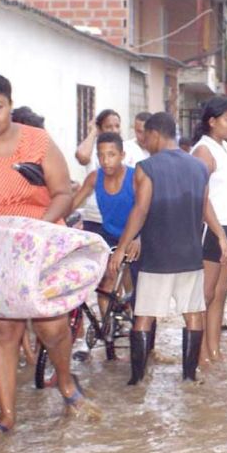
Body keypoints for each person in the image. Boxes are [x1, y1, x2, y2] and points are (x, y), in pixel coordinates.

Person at [0, 74, 98, 437]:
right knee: (2, 330)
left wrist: (41, 225)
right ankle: (6, 415)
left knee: (52, 326)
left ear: (10, 105)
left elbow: (62, 192)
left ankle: (66, 384)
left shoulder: (38, 141)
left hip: (40, 244)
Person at [112, 112, 227, 385]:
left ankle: (136, 382)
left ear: (155, 135)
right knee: (192, 316)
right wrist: (221, 236)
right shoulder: (199, 167)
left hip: (157, 258)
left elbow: (140, 210)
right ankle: (189, 378)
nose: (144, 142)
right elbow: (204, 206)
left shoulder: (146, 167)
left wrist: (121, 249)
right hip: (191, 256)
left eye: (145, 136)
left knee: (143, 318)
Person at [191, 96, 227, 366]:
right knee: (205, 293)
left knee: (221, 292)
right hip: (211, 229)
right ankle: (198, 355)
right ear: (212, 122)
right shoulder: (203, 151)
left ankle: (214, 349)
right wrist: (220, 234)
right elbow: (201, 196)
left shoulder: (224, 149)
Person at [71, 132, 141, 316]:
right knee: (105, 282)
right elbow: (72, 204)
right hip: (109, 234)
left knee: (137, 289)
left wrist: (140, 239)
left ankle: (137, 327)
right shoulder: (95, 178)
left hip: (135, 236)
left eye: (111, 155)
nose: (106, 160)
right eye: (101, 155)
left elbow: (147, 210)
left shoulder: (135, 178)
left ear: (122, 155)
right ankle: (106, 329)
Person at [75, 109, 122, 237]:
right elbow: (82, 156)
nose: (114, 130)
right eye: (108, 127)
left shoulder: (127, 149)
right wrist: (93, 132)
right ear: (100, 129)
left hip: (120, 218)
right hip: (94, 218)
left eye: (117, 126)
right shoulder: (92, 148)